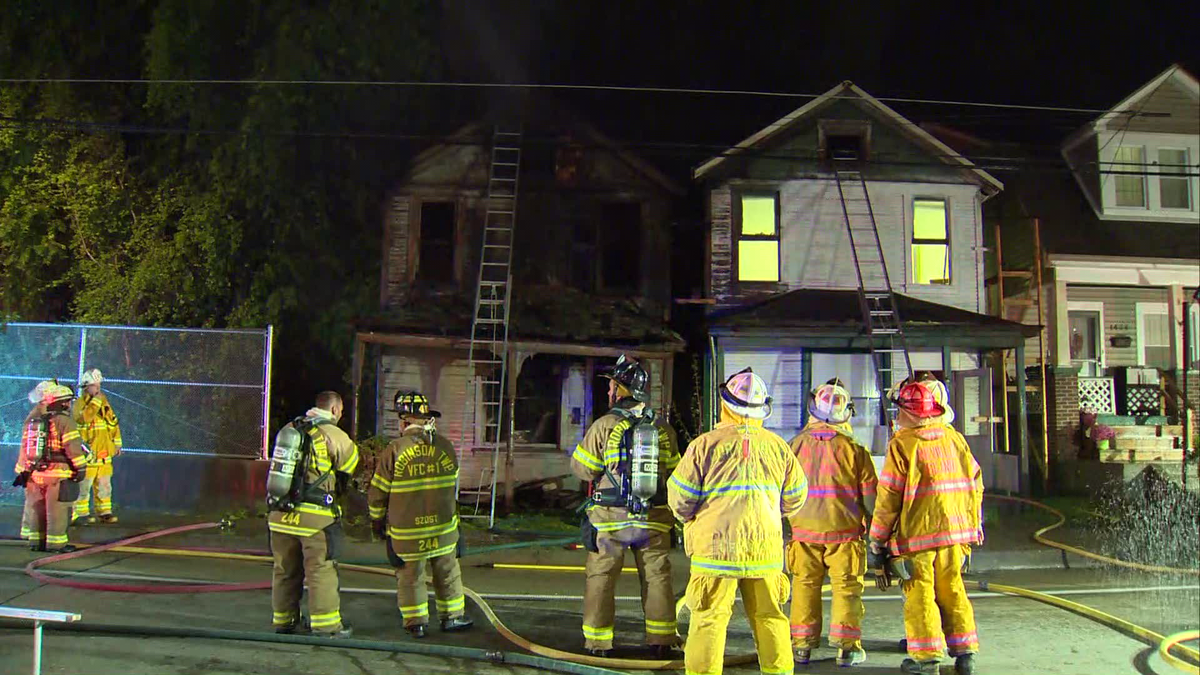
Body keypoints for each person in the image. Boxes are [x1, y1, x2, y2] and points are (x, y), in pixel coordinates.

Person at [667, 367, 808, 675]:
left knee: (708, 620)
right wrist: (769, 513)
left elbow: (680, 500)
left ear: (724, 404)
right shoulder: (778, 447)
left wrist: (695, 519)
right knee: (771, 619)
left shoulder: (704, 446)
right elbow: (797, 496)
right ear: (762, 410)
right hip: (766, 553)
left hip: (715, 553)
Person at [869, 375, 983, 675]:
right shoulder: (955, 439)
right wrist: (972, 527)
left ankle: (927, 658)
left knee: (920, 596)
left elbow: (889, 497)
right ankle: (965, 653)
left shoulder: (903, 445)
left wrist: (877, 541)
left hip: (917, 540)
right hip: (955, 536)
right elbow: (975, 485)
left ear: (907, 413)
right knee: (953, 590)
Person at [570, 355, 682, 657]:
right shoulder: (662, 429)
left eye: (612, 386)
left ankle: (598, 643)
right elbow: (675, 473)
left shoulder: (604, 426)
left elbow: (583, 470)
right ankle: (661, 641)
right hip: (655, 519)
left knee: (601, 577)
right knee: (657, 577)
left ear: (622, 390)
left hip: (610, 521)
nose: (609, 392)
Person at [786, 378, 878, 667]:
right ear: (847, 413)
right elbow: (872, 497)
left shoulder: (794, 446)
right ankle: (846, 649)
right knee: (847, 588)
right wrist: (878, 532)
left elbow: (781, 491)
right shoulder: (855, 449)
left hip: (803, 532)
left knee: (803, 586)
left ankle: (801, 647)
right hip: (845, 532)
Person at [368, 390, 473, 639]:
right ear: (427, 419)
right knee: (447, 572)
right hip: (444, 529)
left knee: (411, 577)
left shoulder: (394, 450)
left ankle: (416, 623)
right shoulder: (446, 446)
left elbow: (378, 493)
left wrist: (376, 522)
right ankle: (453, 617)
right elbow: (453, 489)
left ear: (404, 421)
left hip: (407, 532)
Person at [267, 391, 359, 638]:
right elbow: (350, 468)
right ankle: (326, 626)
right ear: (336, 410)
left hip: (280, 515)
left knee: (285, 570)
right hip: (315, 519)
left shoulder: (290, 429)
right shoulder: (334, 434)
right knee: (321, 570)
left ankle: (284, 621)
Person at [15, 381, 87, 552]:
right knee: (57, 511)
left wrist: (23, 471)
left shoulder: (33, 422)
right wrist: (81, 469)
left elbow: (25, 448)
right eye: (68, 401)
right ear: (62, 403)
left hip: (35, 475)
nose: (70, 405)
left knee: (37, 510)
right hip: (57, 476)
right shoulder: (65, 422)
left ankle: (36, 542)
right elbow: (73, 449)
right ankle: (56, 544)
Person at [72, 368, 123, 524]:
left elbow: (112, 422)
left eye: (99, 385)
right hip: (88, 453)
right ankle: (81, 513)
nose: (98, 388)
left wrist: (117, 443)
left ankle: (104, 512)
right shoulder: (80, 404)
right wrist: (96, 401)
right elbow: (84, 418)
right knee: (84, 486)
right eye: (95, 385)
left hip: (104, 452)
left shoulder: (103, 401)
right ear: (86, 386)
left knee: (104, 485)